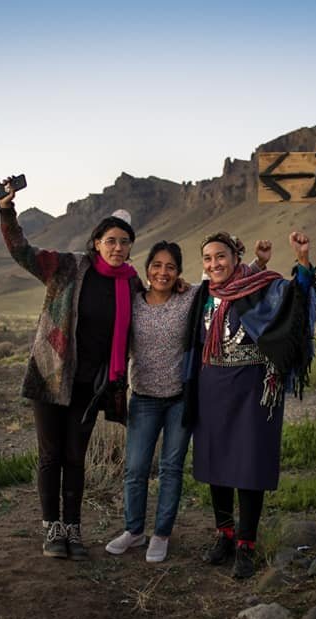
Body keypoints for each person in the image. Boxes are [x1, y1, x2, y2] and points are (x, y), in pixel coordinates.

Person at [0, 178, 140, 561]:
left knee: (77, 456)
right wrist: (7, 211)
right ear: (96, 243)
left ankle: (73, 530)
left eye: (124, 242)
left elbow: (162, 300)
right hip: (51, 373)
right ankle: (52, 530)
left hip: (92, 386)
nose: (117, 247)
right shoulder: (68, 266)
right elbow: (22, 252)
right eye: (110, 240)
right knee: (51, 456)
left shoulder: (131, 284)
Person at [105, 240, 272, 563]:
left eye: (170, 267)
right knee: (136, 468)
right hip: (143, 398)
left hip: (181, 399)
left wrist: (259, 263)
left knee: (170, 469)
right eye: (157, 265)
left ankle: (162, 534)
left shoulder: (192, 296)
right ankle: (134, 530)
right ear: (147, 269)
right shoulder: (134, 301)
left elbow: (230, 281)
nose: (162, 272)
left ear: (179, 272)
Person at [182, 230, 316, 579]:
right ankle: (224, 535)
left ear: (234, 258)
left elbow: (296, 299)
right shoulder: (203, 295)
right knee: (216, 463)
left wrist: (302, 259)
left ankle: (247, 544)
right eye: (208, 259)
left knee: (249, 464)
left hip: (253, 389)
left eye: (221, 257)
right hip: (211, 388)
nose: (214, 264)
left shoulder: (261, 287)